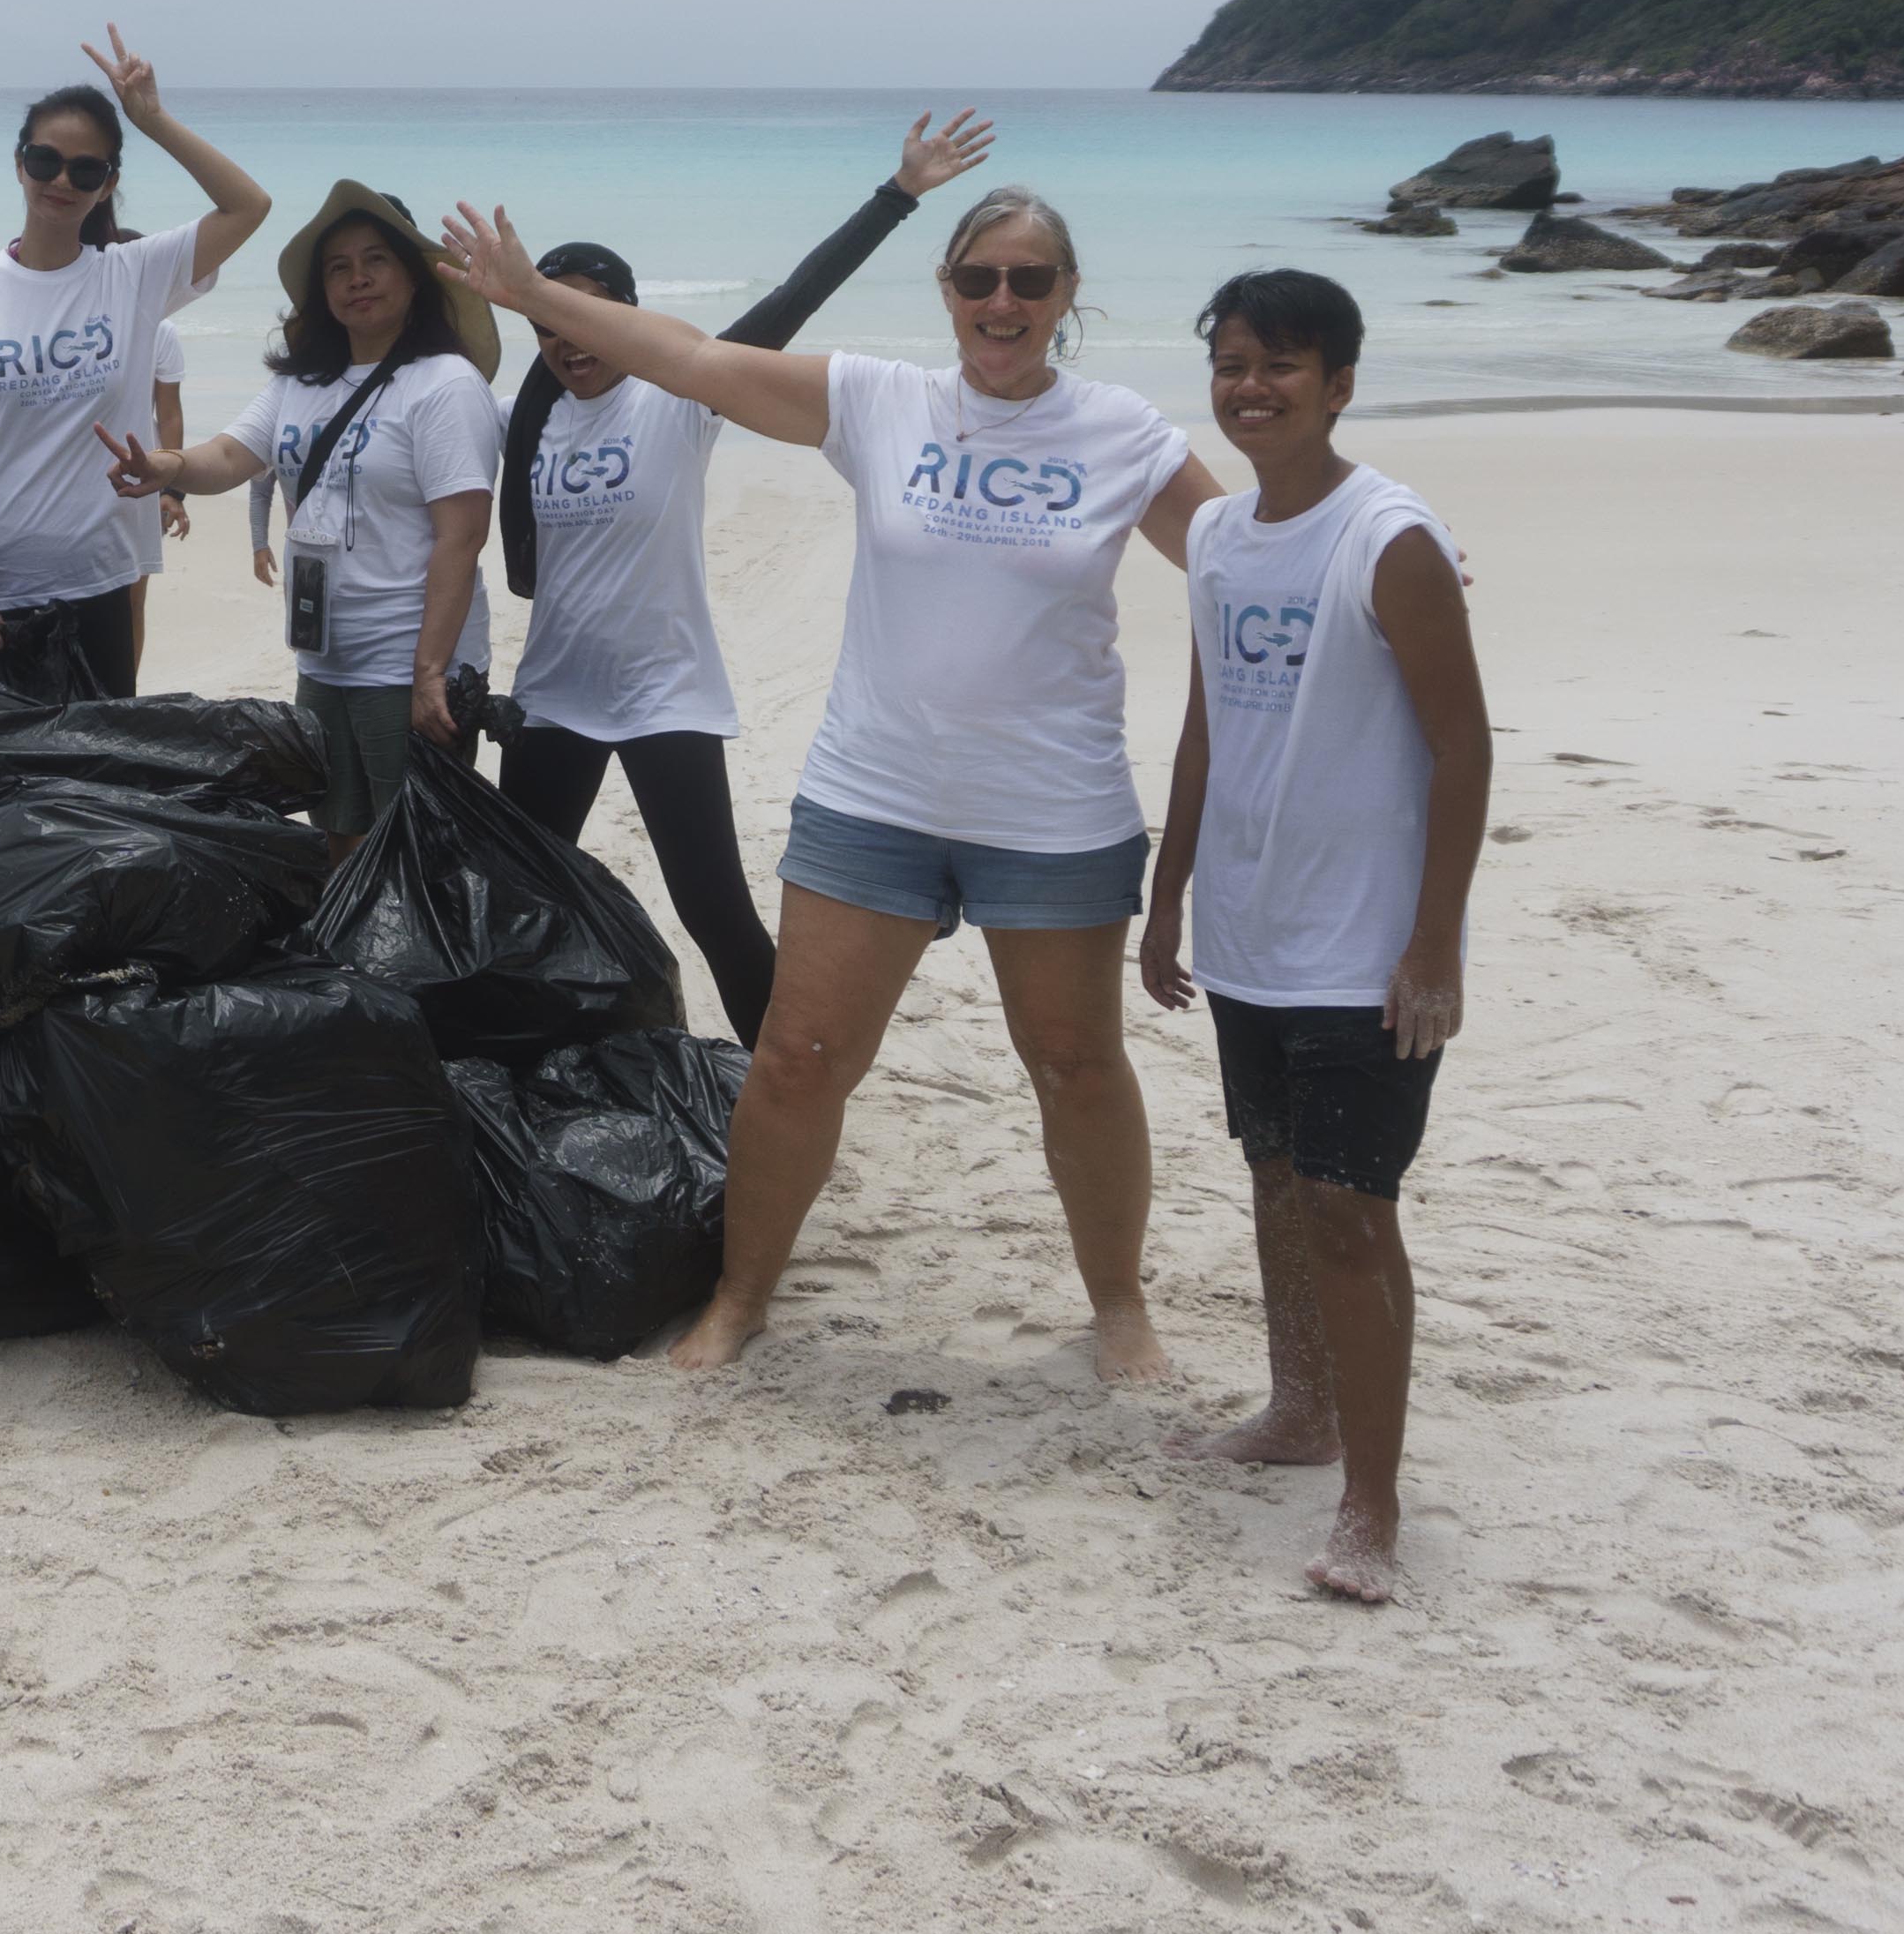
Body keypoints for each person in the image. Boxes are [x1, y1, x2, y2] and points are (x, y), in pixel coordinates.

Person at [445, 184, 1226, 1388]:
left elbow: (1241, 559)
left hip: (1051, 808)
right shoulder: (882, 401)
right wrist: (533, 295)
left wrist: (1374, 550)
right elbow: (700, 358)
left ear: (1068, 297)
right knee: (799, 1055)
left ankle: (1118, 1306)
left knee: (1075, 1063)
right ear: (948, 291)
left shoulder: (1122, 431)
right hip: (876, 795)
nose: (1001, 302)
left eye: (1030, 280)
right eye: (979, 280)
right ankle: (741, 1297)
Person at [1139, 270, 1488, 1607]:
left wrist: (1434, 944)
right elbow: (1207, 722)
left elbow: (1461, 745)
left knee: (1354, 1213)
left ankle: (1372, 1506)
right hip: (1247, 926)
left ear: (1339, 383)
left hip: (1363, 946)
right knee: (1278, 1176)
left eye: (1282, 365)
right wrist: (1169, 892)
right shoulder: (1221, 536)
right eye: (1231, 363)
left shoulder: (1387, 535)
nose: (1251, 387)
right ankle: (1299, 1407)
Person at [495, 112, 993, 1042]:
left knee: (713, 911)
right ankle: (529, 1061)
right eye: (546, 320)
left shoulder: (679, 397)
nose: (568, 340)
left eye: (585, 314)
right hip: (554, 694)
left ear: (626, 317)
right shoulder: (521, 418)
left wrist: (896, 196)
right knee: (516, 902)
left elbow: (790, 302)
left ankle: (783, 1086)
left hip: (664, 695)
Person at [104, 183, 504, 836]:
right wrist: (168, 467)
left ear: (413, 275)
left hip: (403, 663)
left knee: (417, 854)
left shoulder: (444, 384)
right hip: (322, 659)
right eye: (337, 267)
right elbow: (232, 456)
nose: (357, 279)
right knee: (337, 839)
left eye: (375, 260)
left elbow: (460, 537)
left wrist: (430, 671)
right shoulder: (298, 382)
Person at [0, 34, 272, 700]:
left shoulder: (131, 276)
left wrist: (152, 120)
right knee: (4, 793)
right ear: (19, 163)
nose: (60, 181)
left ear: (108, 184)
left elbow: (248, 205)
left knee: (101, 788)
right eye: (45, 160)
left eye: (85, 170)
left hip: (103, 578)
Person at [124, 319, 192, 654]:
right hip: (75, 477)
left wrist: (172, 491)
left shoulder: (159, 328)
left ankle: (123, 696)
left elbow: (169, 415)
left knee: (133, 599)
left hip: (143, 474)